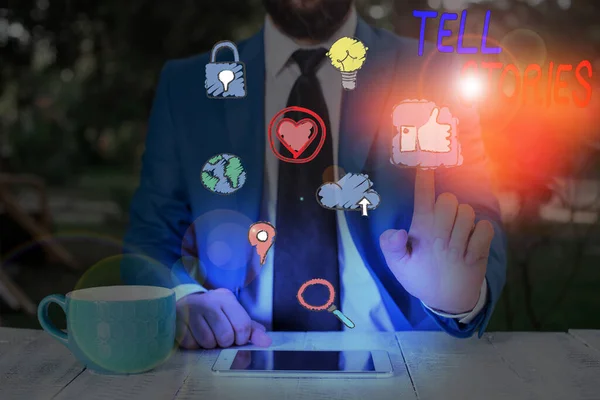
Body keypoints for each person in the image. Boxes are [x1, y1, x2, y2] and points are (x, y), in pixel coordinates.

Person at [122, 0, 506, 350]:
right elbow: (150, 236)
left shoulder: (431, 72)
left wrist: (458, 298)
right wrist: (182, 297)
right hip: (235, 349)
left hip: (405, 354)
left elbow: (478, 215)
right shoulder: (187, 86)